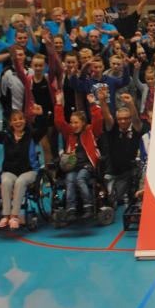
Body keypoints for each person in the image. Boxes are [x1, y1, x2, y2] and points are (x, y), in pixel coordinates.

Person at [53, 90, 105, 220]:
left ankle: (88, 206)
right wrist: (58, 104)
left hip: (87, 165)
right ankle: (71, 209)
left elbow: (98, 120)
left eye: (76, 122)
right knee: (70, 180)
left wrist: (93, 104)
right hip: (73, 165)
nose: (73, 125)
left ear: (83, 122)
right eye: (71, 122)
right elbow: (59, 122)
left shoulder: (91, 131)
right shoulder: (70, 133)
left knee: (80, 179)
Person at [0, 109, 41, 230]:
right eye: (15, 120)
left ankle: (14, 216)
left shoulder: (31, 135)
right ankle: (5, 216)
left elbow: (43, 129)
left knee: (20, 181)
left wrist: (40, 116)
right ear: (11, 123)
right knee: (6, 181)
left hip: (29, 171)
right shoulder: (6, 136)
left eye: (20, 119)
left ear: (25, 120)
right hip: (10, 171)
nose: (18, 122)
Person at [101, 96, 145, 208]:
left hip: (130, 171)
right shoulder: (112, 128)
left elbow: (136, 119)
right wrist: (102, 101)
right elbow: (107, 117)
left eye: (126, 118)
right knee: (110, 199)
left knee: (122, 197)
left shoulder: (136, 128)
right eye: (120, 119)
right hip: (113, 171)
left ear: (130, 119)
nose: (123, 121)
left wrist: (130, 103)